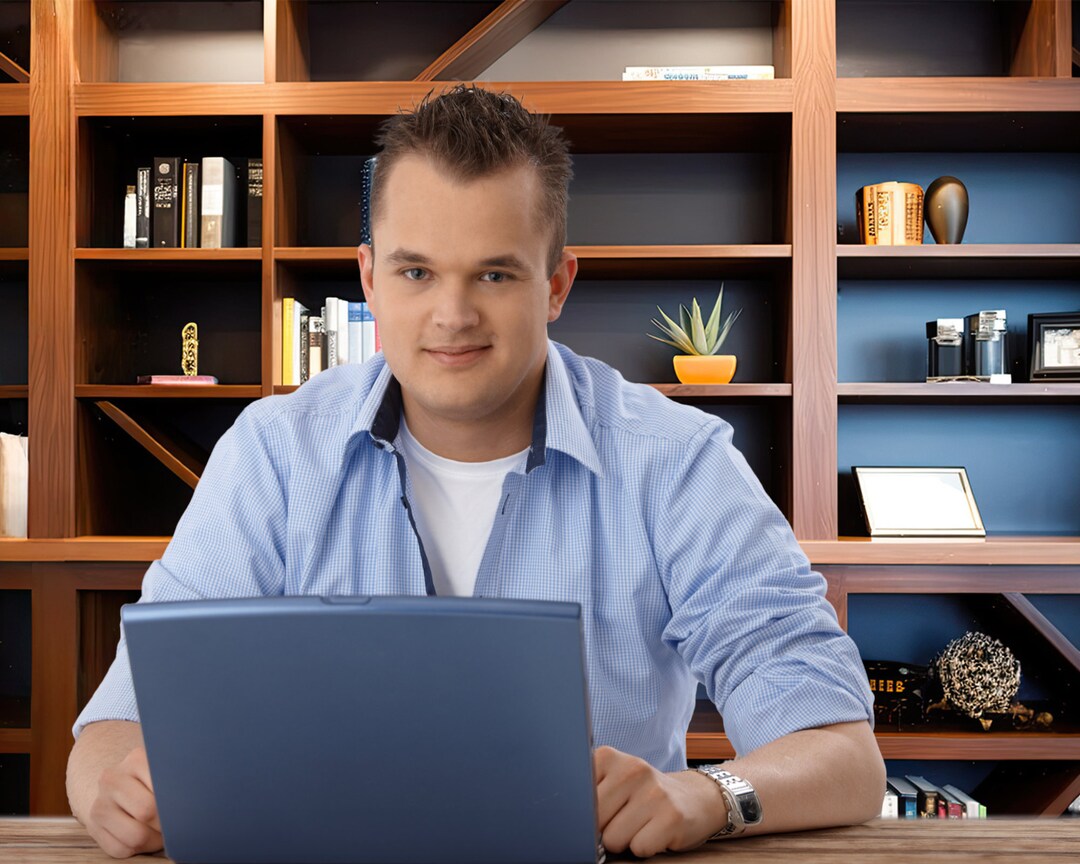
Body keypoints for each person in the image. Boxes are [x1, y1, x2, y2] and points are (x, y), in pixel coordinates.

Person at [66, 84, 884, 859]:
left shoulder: (677, 460)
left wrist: (708, 797)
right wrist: (115, 782)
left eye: (494, 273)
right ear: (369, 279)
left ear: (557, 284)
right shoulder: (275, 453)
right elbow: (110, 731)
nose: (451, 316)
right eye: (416, 272)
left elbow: (844, 757)